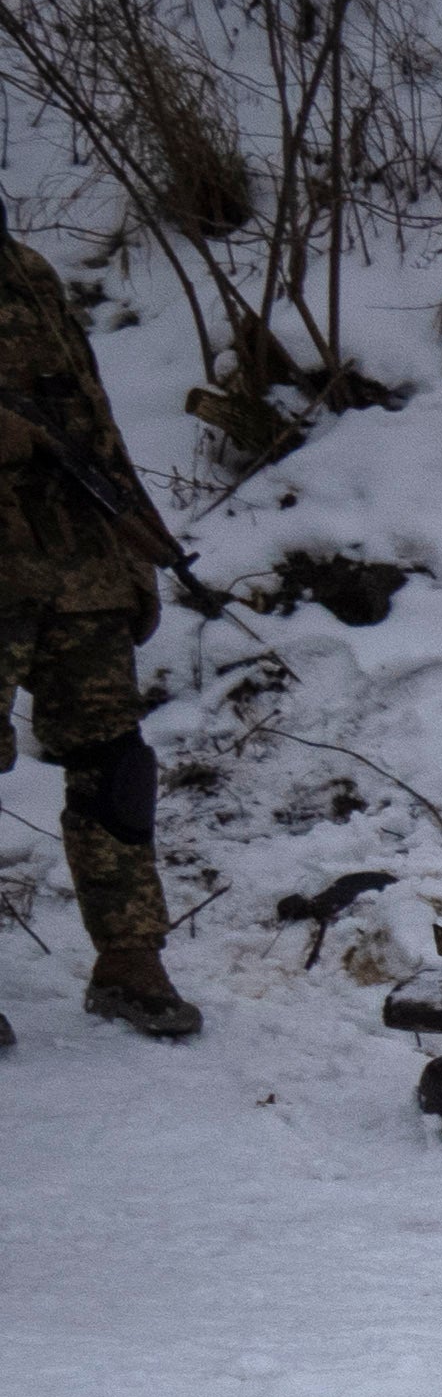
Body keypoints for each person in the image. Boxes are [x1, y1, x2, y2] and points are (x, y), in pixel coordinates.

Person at [1, 206, 202, 1046]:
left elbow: (89, 418)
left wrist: (136, 545)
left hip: (77, 566)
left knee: (113, 764)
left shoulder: (27, 270)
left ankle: (130, 958)